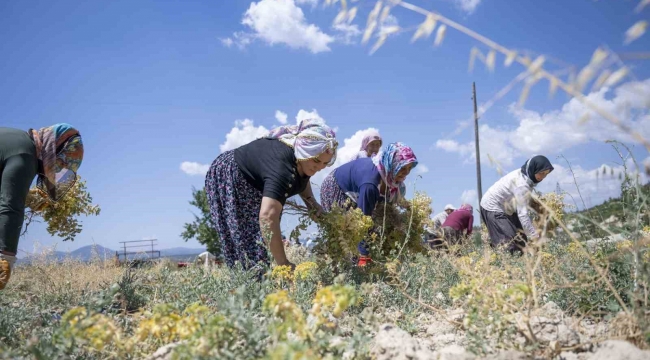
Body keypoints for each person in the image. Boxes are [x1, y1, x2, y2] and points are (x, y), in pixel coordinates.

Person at [205, 118, 337, 272]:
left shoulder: (304, 162)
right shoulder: (283, 170)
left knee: (262, 247)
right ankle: (251, 292)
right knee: (251, 251)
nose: (320, 167)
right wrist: (284, 264)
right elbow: (267, 217)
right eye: (316, 161)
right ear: (303, 152)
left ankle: (259, 288)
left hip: (254, 184)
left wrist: (311, 204)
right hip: (232, 176)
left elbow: (303, 178)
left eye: (325, 163)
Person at [0, 124, 84, 290]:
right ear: (54, 147)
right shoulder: (25, 154)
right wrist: (5, 258)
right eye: (59, 163)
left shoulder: (18, 140)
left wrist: (25, 196)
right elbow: (10, 207)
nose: (56, 171)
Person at [320, 142, 418, 265]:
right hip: (336, 187)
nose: (406, 173)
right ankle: (345, 268)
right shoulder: (370, 184)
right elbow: (363, 219)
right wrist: (363, 256)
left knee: (374, 230)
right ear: (392, 164)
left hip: (358, 193)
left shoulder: (389, 178)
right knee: (346, 235)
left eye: (409, 169)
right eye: (402, 168)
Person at [480, 155, 554, 254]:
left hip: (508, 207)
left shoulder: (526, 175)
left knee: (521, 240)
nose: (543, 177)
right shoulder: (523, 184)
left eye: (546, 174)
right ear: (533, 169)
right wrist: (535, 236)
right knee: (509, 244)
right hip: (493, 207)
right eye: (541, 173)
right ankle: (498, 264)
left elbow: (523, 198)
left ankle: (520, 266)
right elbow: (522, 214)